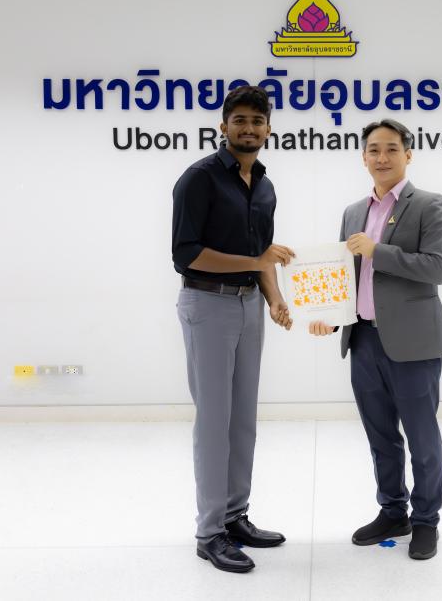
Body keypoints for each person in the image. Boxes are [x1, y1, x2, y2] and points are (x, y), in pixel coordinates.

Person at [309, 118, 442, 560]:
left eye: (392, 149)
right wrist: (330, 316)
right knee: (381, 437)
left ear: (408, 154)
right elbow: (342, 276)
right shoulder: (353, 212)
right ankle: (393, 512)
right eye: (374, 149)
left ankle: (426, 521)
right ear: (363, 157)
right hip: (364, 341)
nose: (382, 157)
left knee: (422, 439)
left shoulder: (428, 204)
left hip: (414, 344)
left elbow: (437, 268)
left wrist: (378, 252)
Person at [172, 85, 295, 573]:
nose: (248, 128)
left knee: (243, 419)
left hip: (250, 307)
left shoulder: (264, 186)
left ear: (268, 129)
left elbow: (263, 257)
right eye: (239, 120)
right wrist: (257, 261)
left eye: (257, 121)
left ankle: (235, 516)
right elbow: (186, 254)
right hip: (207, 304)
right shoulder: (199, 179)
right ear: (223, 126)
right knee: (214, 421)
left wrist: (276, 299)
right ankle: (209, 533)